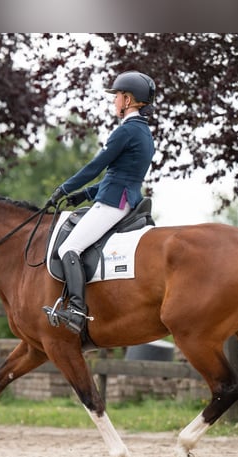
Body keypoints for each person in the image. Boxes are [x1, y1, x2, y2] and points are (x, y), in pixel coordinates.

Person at [44, 71, 156, 334]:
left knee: (69, 248)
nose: (114, 101)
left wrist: (64, 188)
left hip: (113, 203)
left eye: (116, 96)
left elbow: (96, 167)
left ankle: (77, 310)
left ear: (127, 99)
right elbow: (120, 175)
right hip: (122, 197)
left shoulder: (125, 131)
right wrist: (83, 195)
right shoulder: (143, 131)